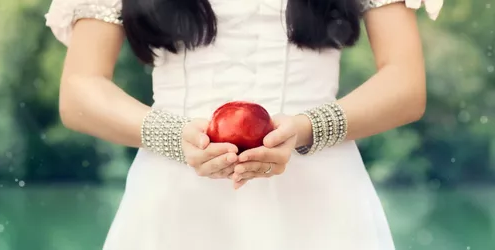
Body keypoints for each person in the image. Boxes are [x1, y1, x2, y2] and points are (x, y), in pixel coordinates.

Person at [45, 0, 443, 249]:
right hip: (176, 195)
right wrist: (175, 137)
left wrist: (306, 128)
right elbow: (80, 90)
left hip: (323, 196)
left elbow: (405, 85)